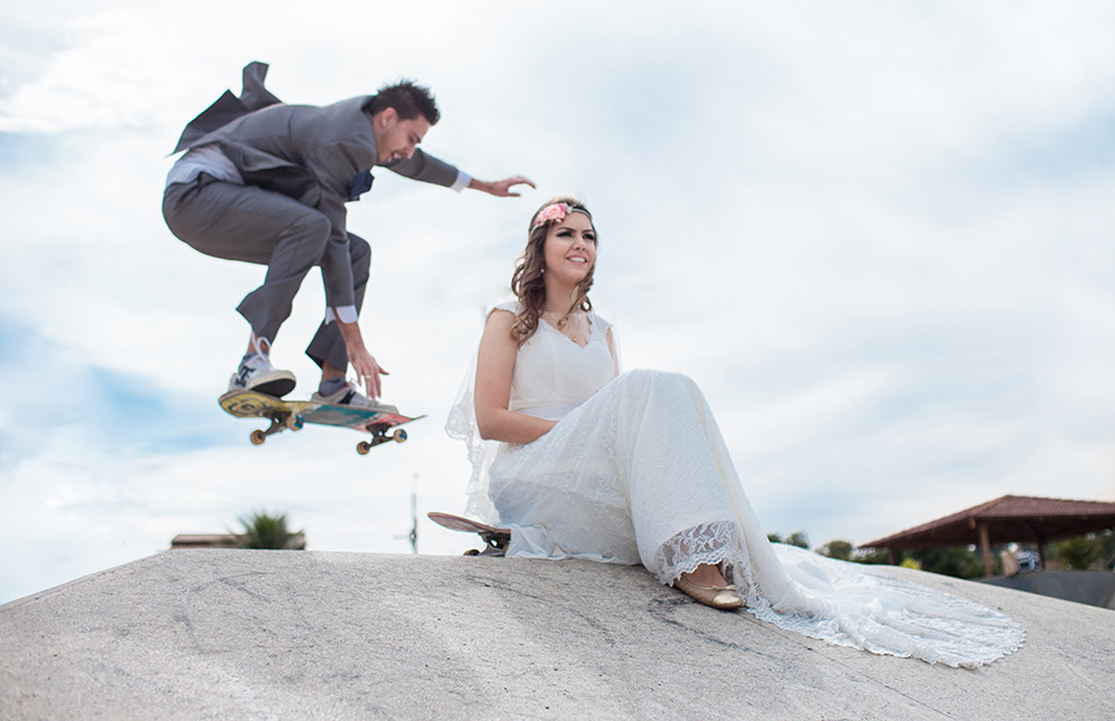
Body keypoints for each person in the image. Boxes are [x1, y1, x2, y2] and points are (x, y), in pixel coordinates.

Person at [447, 196, 1025, 667]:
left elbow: (625, 419)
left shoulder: (604, 329)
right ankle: (687, 564)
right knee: (652, 387)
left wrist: (608, 438)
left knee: (673, 388)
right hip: (532, 467)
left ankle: (701, 545)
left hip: (589, 473)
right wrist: (583, 432)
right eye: (565, 234)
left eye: (589, 236)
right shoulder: (508, 320)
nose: (579, 244)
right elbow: (491, 420)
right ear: (540, 248)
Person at [163, 62, 532, 410]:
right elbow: (332, 238)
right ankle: (252, 361)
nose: (409, 149)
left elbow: (416, 164)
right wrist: (356, 341)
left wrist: (484, 185)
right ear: (388, 118)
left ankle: (333, 383)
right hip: (195, 197)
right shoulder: (344, 140)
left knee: (357, 252)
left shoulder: (369, 128)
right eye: (411, 137)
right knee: (315, 228)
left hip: (228, 203)